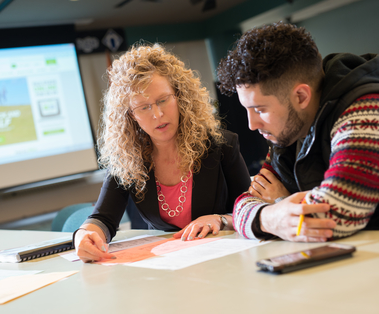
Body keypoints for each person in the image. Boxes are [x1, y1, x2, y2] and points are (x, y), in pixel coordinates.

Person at [74, 44, 251, 262]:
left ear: (180, 96)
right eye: (144, 107)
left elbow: (250, 207)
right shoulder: (128, 158)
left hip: (226, 259)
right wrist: (83, 236)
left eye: (163, 100)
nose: (157, 114)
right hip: (166, 266)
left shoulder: (221, 145)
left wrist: (220, 219)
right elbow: (102, 218)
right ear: (130, 115)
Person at [217, 22, 379, 242]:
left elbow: (337, 213)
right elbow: (243, 205)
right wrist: (271, 217)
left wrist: (278, 204)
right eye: (247, 110)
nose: (251, 125)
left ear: (301, 96)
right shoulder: (289, 129)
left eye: (260, 109)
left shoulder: (365, 110)